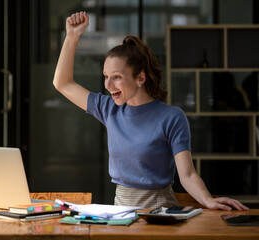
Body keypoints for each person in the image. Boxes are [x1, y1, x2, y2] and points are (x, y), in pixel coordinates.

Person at [53, 11, 249, 211]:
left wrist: (208, 200)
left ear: (140, 78)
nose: (108, 85)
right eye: (106, 76)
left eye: (117, 77)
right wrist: (72, 35)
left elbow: (187, 174)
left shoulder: (172, 117)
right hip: (120, 211)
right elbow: (62, 83)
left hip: (160, 209)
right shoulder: (108, 109)